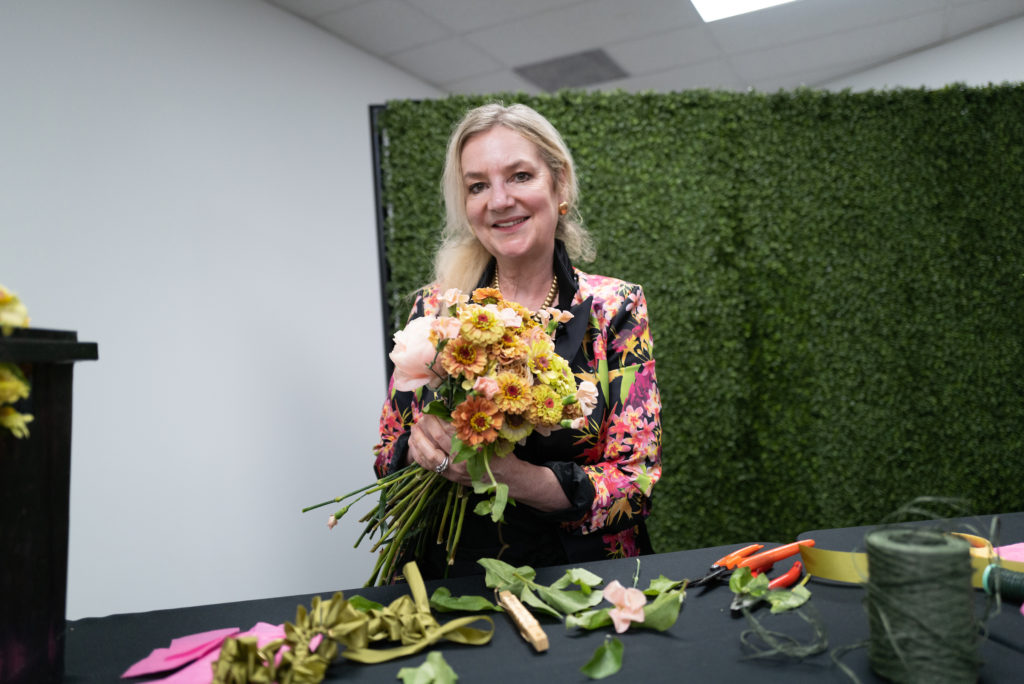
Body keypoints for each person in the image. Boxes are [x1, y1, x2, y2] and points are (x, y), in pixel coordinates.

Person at [374, 102, 662, 578]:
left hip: (580, 581)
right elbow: (387, 454)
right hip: (448, 577)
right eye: (478, 186)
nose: (499, 200)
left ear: (559, 183)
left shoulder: (615, 308)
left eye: (520, 176)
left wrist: (511, 478)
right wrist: (415, 450)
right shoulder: (435, 308)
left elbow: (635, 483)